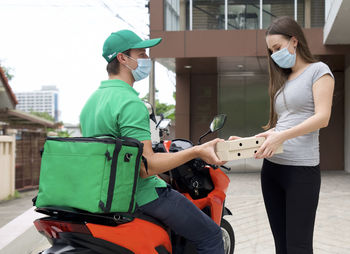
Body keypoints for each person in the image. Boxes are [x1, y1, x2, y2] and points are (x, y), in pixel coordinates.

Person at [80, 29, 225, 254]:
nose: (147, 59)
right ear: (122, 58)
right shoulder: (130, 103)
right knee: (211, 235)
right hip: (140, 194)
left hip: (103, 194)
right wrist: (196, 151)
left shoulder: (91, 102)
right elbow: (147, 167)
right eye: (142, 54)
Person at [253, 16, 334, 254]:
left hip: (301, 171)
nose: (275, 54)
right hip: (272, 170)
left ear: (294, 41)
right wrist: (252, 142)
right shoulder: (284, 80)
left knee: (298, 246)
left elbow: (322, 117)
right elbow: (283, 124)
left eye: (277, 47)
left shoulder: (319, 71)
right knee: (281, 245)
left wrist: (282, 136)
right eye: (271, 50)